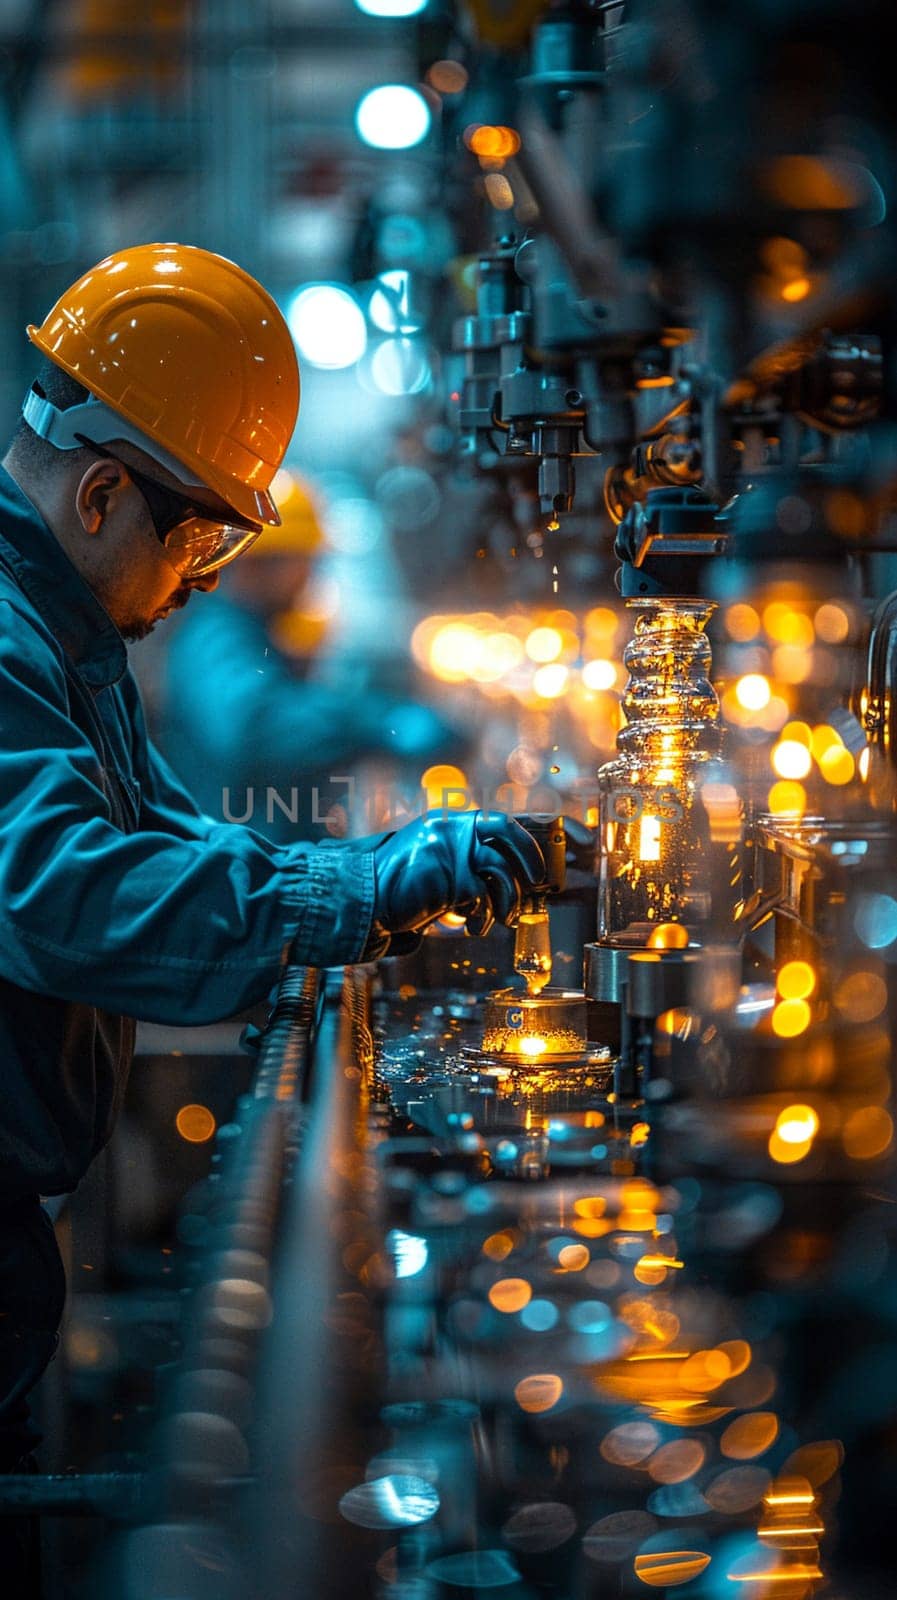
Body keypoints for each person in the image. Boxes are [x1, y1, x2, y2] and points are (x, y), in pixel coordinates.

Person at [0, 243, 543, 1590]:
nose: (206, 580)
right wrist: (355, 888)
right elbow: (64, 892)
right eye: (203, 538)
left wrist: (379, 874)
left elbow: (163, 830)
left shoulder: (65, 637)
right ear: (106, 489)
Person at [157, 468, 465, 841]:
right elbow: (256, 730)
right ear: (257, 561)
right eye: (305, 561)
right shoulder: (215, 636)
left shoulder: (253, 634)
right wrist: (375, 720)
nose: (311, 577)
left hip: (257, 860)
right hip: (234, 865)